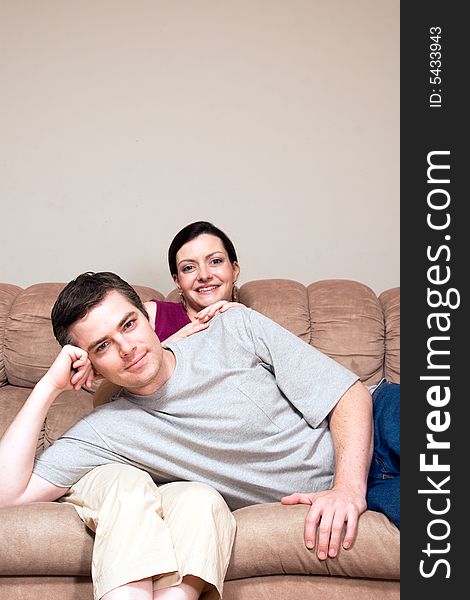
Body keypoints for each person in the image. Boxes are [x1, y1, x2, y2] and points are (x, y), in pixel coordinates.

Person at [1, 271, 376, 570]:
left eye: (128, 324)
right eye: (102, 346)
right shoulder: (105, 431)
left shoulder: (234, 326)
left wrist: (346, 488)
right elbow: (8, 495)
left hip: (382, 427)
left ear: (148, 316)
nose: (126, 348)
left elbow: (348, 393)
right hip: (370, 487)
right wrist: (48, 386)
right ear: (89, 366)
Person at [93, 220, 241, 407]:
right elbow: (101, 401)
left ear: (234, 270)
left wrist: (244, 320)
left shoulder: (250, 322)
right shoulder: (149, 317)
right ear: (177, 281)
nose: (204, 275)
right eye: (189, 267)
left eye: (215, 261)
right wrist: (166, 349)